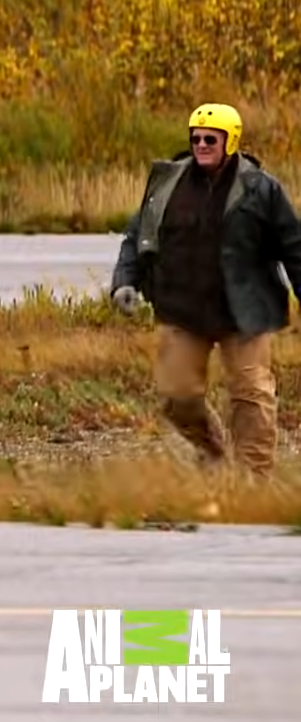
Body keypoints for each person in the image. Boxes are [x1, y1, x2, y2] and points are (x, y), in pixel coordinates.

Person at [110, 103, 301, 476]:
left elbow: (294, 247)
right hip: (183, 309)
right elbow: (136, 236)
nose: (201, 145)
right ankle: (213, 452)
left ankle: (253, 484)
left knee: (251, 395)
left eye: (210, 139)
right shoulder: (167, 183)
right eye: (195, 138)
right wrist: (124, 282)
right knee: (176, 395)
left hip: (243, 312)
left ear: (231, 141)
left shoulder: (260, 188)